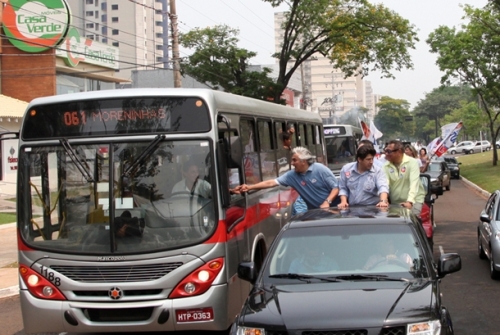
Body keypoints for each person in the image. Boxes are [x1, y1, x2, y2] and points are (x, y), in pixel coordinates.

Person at [238, 147, 340, 209]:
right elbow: (271, 183)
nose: (292, 163)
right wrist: (249, 187)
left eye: (294, 160)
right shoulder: (292, 175)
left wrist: (327, 202)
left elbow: (336, 187)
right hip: (315, 212)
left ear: (303, 161)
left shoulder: (320, 169)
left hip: (334, 209)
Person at [338, 145, 389, 209]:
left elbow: (383, 187)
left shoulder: (377, 171)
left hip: (372, 209)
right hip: (352, 209)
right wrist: (343, 201)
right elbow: (343, 188)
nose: (371, 162)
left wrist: (383, 201)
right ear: (359, 159)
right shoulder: (346, 169)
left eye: (372, 159)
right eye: (368, 159)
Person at [382, 140, 426, 215]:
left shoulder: (412, 162)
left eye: (389, 151)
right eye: (385, 151)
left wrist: (410, 201)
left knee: (412, 222)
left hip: (414, 200)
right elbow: (385, 185)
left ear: (399, 152)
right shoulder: (385, 166)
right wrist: (383, 200)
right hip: (395, 202)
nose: (386, 154)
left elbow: (414, 183)